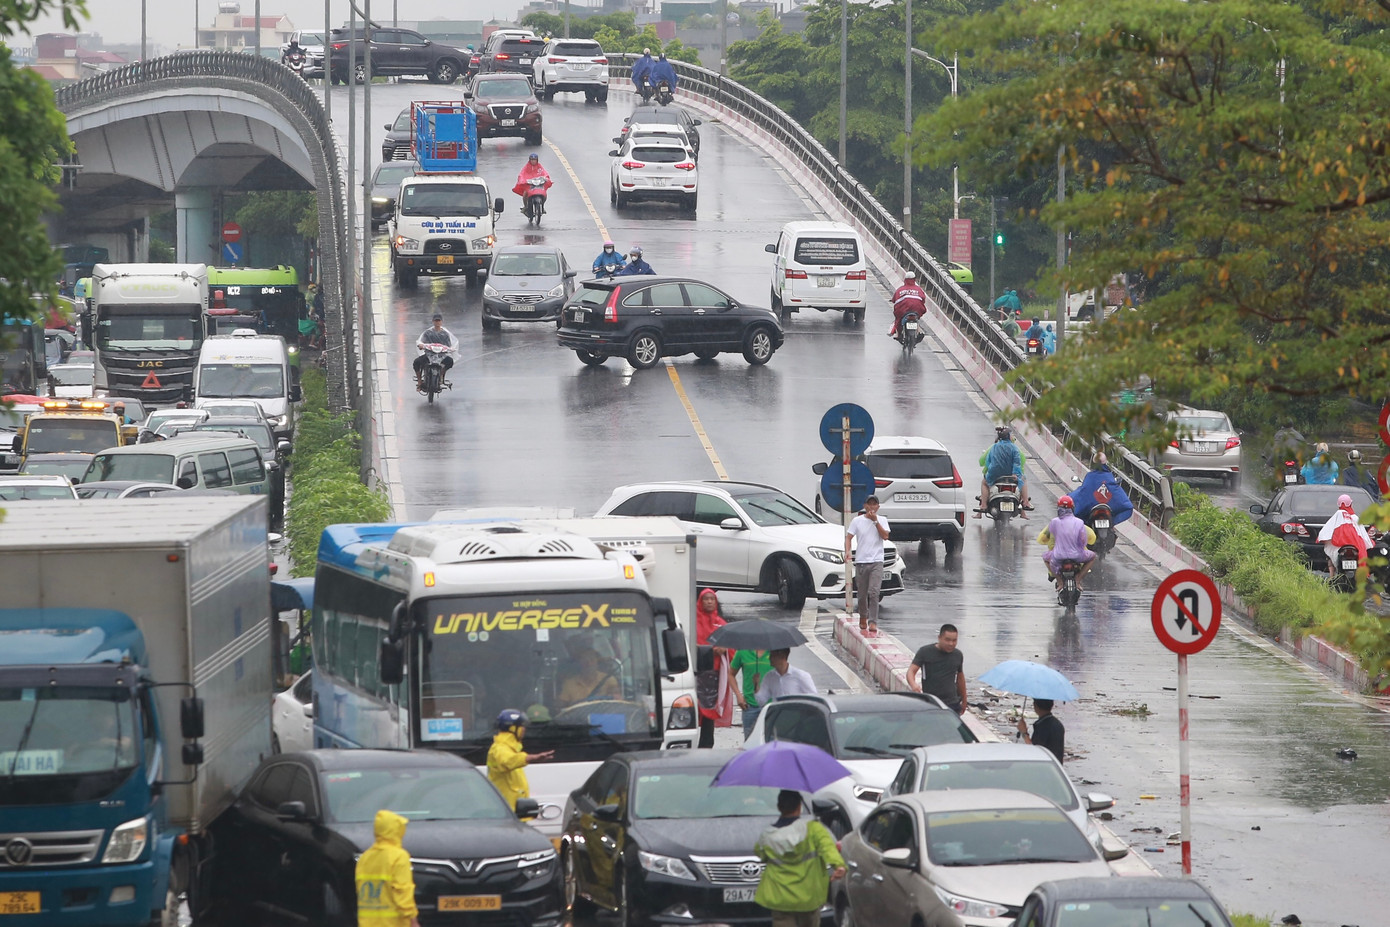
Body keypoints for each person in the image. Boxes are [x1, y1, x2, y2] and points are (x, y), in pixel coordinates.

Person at [753, 790, 846, 927]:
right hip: (808, 897)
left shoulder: (767, 836)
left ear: (779, 807)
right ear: (799, 807)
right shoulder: (814, 829)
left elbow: (760, 852)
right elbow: (828, 847)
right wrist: (838, 865)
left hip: (780, 897)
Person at [354, 809, 421, 927]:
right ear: (395, 830)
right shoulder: (399, 856)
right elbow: (402, 891)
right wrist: (412, 919)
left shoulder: (364, 858)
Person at [486, 708, 553, 810]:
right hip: (508, 811)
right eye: (522, 726)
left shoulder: (510, 748)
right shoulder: (500, 748)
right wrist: (530, 758)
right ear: (512, 728)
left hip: (513, 810)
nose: (524, 729)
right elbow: (507, 761)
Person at [695, 588, 736, 748]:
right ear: (700, 601)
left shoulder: (721, 624)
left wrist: (724, 649)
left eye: (712, 599)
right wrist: (709, 650)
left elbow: (732, 647)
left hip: (715, 675)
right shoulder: (694, 623)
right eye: (706, 599)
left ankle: (707, 742)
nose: (710, 602)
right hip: (696, 673)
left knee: (710, 711)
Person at [845, 496, 890, 634]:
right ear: (864, 506)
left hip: (877, 561)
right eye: (869, 504)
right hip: (861, 562)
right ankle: (863, 616)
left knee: (874, 592)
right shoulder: (857, 521)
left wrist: (875, 521)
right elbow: (849, 537)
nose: (871, 507)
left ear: (878, 507)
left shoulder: (882, 520)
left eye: (874, 504)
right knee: (862, 594)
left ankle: (873, 621)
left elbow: (885, 536)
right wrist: (848, 551)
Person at [1037, 495, 1097, 590]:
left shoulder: (1054, 522)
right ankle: (1078, 580)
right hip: (1077, 556)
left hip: (1058, 556)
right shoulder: (1079, 522)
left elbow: (1042, 539)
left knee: (1045, 557)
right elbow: (1089, 539)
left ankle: (1060, 582)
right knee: (1092, 557)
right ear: (1072, 508)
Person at [907, 624, 967, 714]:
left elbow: (960, 678)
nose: (951, 644)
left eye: (954, 640)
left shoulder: (958, 655)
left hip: (952, 703)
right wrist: (913, 685)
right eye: (947, 640)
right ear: (939, 638)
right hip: (931, 702)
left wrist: (964, 701)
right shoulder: (925, 652)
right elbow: (911, 671)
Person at [976, 425, 1032, 517]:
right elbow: (1017, 463)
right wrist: (1015, 474)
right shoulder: (1015, 448)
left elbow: (988, 462)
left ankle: (983, 505)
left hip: (995, 475)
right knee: (1023, 479)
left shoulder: (994, 447)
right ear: (1009, 436)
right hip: (1011, 475)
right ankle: (1025, 502)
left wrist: (988, 471)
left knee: (984, 483)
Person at [1317, 493, 1373, 577]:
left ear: (1338, 504)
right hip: (1356, 546)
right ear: (1351, 504)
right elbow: (1363, 536)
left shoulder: (1337, 515)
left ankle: (1332, 576)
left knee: (1329, 554)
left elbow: (1326, 531)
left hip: (1340, 546)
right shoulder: (1355, 518)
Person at [1070, 452, 1134, 526]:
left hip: (1092, 510)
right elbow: (1125, 503)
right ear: (1106, 463)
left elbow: (1084, 490)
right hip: (1107, 510)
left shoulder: (1090, 476)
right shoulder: (1109, 477)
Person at [730, 648, 772, 738]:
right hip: (749, 706)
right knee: (750, 742)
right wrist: (738, 695)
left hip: (771, 706)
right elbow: (731, 674)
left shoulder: (775, 652)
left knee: (771, 743)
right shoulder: (742, 652)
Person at [413, 313, 458, 390]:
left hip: (441, 356)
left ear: (441, 322)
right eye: (436, 320)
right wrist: (421, 345)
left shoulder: (445, 334)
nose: (437, 322)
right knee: (416, 362)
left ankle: (441, 375)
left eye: (439, 320)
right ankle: (420, 381)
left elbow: (448, 345)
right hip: (429, 355)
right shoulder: (428, 333)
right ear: (433, 321)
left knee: (450, 361)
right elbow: (422, 342)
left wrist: (451, 349)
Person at [1017, 698, 1065, 764]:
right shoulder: (1058, 724)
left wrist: (1024, 733)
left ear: (1035, 705)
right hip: (1056, 768)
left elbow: (1035, 751)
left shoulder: (1043, 726)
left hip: (1044, 768)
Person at [512, 153, 553, 220]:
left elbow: (544, 173)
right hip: (529, 184)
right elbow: (521, 174)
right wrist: (522, 180)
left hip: (538, 184)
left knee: (544, 193)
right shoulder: (526, 167)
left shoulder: (539, 166)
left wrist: (546, 178)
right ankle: (526, 207)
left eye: (535, 160)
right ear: (529, 160)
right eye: (532, 160)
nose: (533, 161)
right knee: (525, 193)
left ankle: (542, 206)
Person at [888, 271, 927, 339]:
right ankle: (919, 331)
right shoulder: (919, 289)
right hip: (916, 310)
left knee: (898, 319)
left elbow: (894, 300)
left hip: (903, 310)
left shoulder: (900, 290)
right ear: (914, 279)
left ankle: (898, 334)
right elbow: (923, 299)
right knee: (917, 316)